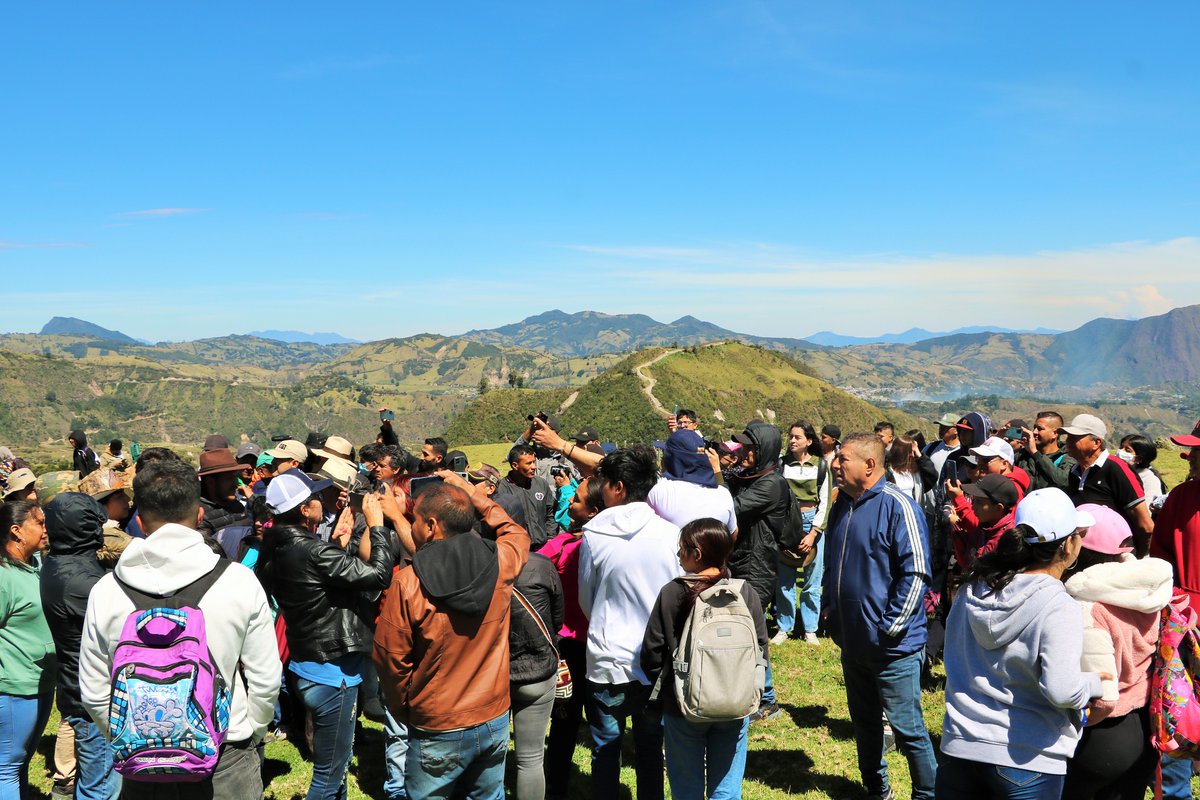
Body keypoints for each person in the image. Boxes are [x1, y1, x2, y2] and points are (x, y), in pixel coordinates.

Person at [79, 458, 281, 800]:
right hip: (225, 755)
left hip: (142, 764)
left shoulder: (106, 590)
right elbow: (266, 678)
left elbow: (94, 692)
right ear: (200, 516)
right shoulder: (239, 581)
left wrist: (134, 739)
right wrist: (252, 731)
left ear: (140, 522)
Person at [937, 488, 1105, 799]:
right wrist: (1094, 684)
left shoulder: (972, 588)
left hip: (959, 748)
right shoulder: (1058, 604)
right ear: (1068, 545)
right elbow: (1062, 689)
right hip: (1028, 758)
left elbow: (952, 656)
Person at [374, 475, 530, 799]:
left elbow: (391, 660)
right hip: (493, 713)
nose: (412, 526)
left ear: (431, 525)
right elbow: (515, 533)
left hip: (436, 720)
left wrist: (405, 709)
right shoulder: (501, 561)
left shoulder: (408, 583)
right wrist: (476, 496)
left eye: (415, 520)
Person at [257, 472, 394, 800]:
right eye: (316, 498)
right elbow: (379, 575)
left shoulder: (276, 547)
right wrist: (377, 526)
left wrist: (335, 547)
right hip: (334, 674)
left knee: (337, 765)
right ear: (305, 510)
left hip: (307, 663)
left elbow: (312, 588)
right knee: (328, 776)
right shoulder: (313, 551)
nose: (324, 501)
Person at [825, 433, 937, 800]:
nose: (835, 464)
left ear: (870, 465)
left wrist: (890, 627)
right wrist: (829, 607)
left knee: (908, 729)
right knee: (865, 723)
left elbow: (916, 573)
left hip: (893, 647)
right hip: (853, 641)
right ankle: (877, 788)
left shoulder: (899, 506)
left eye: (843, 459)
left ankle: (927, 793)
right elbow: (833, 562)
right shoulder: (842, 505)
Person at [579, 445, 683, 800]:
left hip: (607, 657)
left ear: (618, 487)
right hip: (655, 660)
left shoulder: (594, 534)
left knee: (605, 747)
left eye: (605, 482)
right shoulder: (670, 534)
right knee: (651, 748)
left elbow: (587, 598)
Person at [641, 518, 769, 800]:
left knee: (686, 789)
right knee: (727, 790)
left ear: (696, 554)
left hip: (683, 705)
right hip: (736, 703)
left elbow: (652, 653)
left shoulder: (672, 593)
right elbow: (761, 648)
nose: (678, 554)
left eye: (681, 548)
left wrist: (667, 688)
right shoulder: (744, 592)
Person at [1062, 504, 1172, 800]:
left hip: (1102, 737)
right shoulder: (1149, 591)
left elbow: (1104, 698)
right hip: (1146, 727)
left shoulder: (1089, 608)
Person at [39, 494, 120, 800]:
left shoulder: (62, 562)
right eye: (97, 524)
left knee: (98, 777)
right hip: (92, 697)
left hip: (78, 686)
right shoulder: (79, 580)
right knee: (101, 786)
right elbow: (121, 624)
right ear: (86, 529)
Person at [539, 477, 605, 800]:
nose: (569, 503)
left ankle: (556, 786)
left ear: (593, 511)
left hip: (569, 645)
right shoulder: (609, 547)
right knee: (602, 723)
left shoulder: (562, 546)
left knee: (564, 722)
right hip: (599, 644)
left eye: (575, 499)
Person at [1149, 419, 1200, 800]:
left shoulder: (1183, 495)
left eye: (1197, 451)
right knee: (1176, 717)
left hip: (1184, 619)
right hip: (1183, 623)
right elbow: (1160, 556)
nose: (1190, 457)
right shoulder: (1182, 496)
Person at [726, 422, 789, 720]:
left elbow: (732, 507)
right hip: (742, 561)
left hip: (757, 567)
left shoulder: (772, 483)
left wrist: (718, 474)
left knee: (752, 633)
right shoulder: (751, 476)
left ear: (765, 450)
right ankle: (753, 693)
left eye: (750, 448)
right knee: (746, 630)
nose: (744, 453)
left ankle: (767, 699)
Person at [0, 500, 56, 800]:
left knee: (20, 763)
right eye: (39, 523)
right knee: (7, 767)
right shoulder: (4, 576)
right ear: (17, 531)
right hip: (14, 688)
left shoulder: (36, 566)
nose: (46, 529)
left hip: (41, 681)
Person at [508, 535, 564, 800]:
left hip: (494, 672)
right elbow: (557, 619)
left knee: (489, 755)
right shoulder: (542, 565)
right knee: (530, 759)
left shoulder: (481, 564)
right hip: (539, 670)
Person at [1061, 414, 1153, 556]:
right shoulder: (1074, 471)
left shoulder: (1117, 469)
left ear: (1096, 443)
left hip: (1115, 557)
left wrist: (1138, 558)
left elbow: (1145, 526)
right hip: (1084, 553)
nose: (1068, 441)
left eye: (1075, 438)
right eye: (1068, 437)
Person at [779, 421, 833, 645]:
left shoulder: (821, 466)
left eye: (797, 437)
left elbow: (825, 501)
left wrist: (813, 533)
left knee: (813, 577)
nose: (792, 440)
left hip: (813, 520)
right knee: (785, 576)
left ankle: (810, 628)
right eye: (791, 436)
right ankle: (784, 626)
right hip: (787, 522)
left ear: (809, 441)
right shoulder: (782, 464)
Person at [647, 429, 738, 533]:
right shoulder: (724, 495)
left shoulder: (658, 491)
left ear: (672, 459)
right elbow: (733, 533)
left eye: (665, 454)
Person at [945, 474, 1018, 573]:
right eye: (974, 500)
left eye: (979, 502)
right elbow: (966, 563)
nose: (973, 507)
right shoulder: (983, 527)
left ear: (998, 508)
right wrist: (960, 537)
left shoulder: (1007, 541)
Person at [495, 444, 557, 549]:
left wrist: (550, 538)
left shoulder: (541, 484)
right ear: (515, 466)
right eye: (529, 463)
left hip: (543, 547)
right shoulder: (502, 489)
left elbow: (550, 513)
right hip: (517, 549)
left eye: (534, 462)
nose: (534, 467)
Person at [1015, 411, 1077, 491]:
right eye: (1034, 428)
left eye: (1040, 429)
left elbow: (1063, 481)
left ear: (1054, 434)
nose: (1035, 432)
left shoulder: (1068, 457)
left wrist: (1035, 453)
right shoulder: (1023, 455)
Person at [1118, 434, 1166, 507]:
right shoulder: (1116, 471)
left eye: (1127, 450)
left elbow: (1144, 510)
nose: (1120, 451)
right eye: (1121, 447)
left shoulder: (1150, 481)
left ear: (1138, 459)